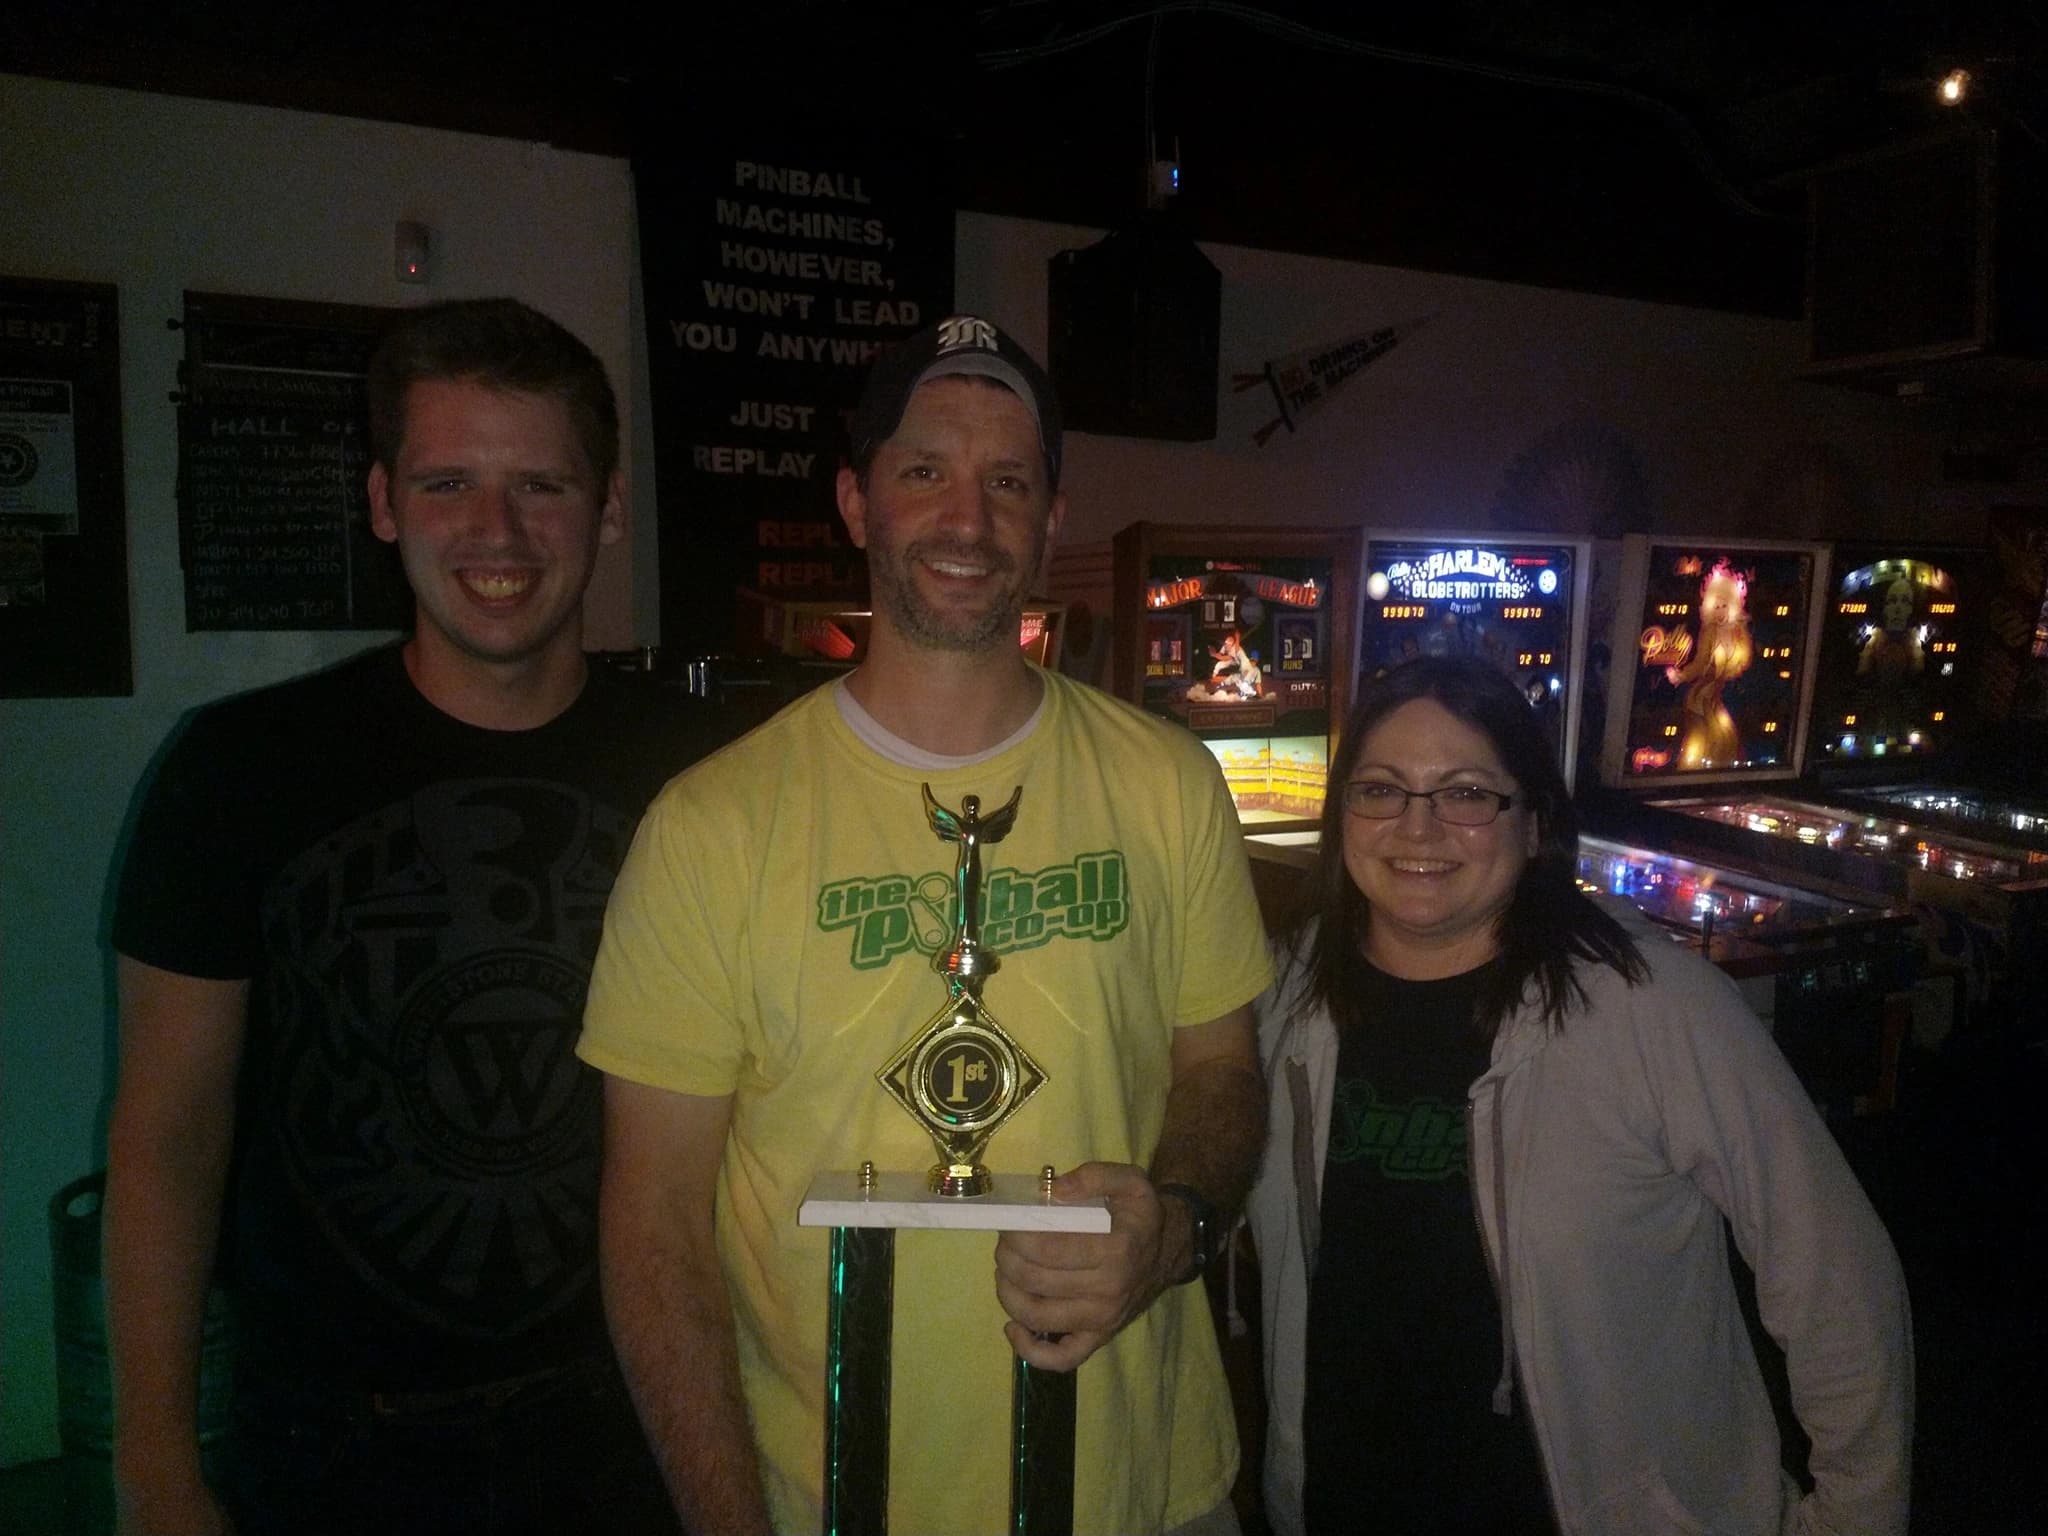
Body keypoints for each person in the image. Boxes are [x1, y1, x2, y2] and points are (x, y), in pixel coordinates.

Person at [579, 314, 1272, 1536]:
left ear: (1052, 516)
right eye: (923, 473)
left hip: (1145, 1492)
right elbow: (652, 1234)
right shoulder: (710, 827)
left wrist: (1170, 1230)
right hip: (833, 1500)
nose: (968, 519)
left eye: (1007, 480)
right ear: (854, 502)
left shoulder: (1168, 782)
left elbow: (1220, 1073)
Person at [105, 298, 701, 1536]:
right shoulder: (236, 770)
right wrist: (153, 1462)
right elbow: (166, 1135)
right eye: (447, 482)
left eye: (542, 484)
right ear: (382, 503)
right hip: (329, 1439)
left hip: (637, 1413)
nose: (497, 532)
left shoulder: (710, 776)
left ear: (606, 507)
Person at [1246, 656, 1913, 1536]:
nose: (1418, 827)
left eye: (1467, 793)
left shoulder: (1652, 1007)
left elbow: (1837, 1280)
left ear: (1533, 826)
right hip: (1340, 1502)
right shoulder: (1284, 997)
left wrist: (1855, 1518)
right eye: (1381, 789)